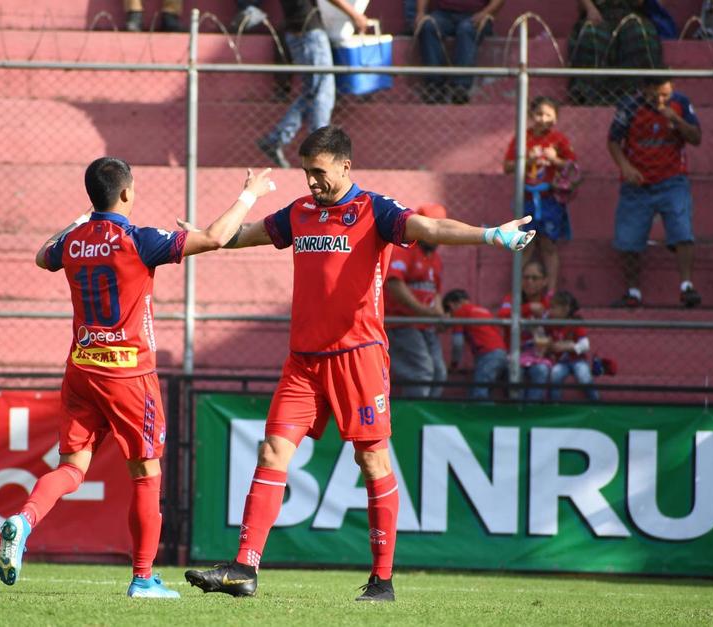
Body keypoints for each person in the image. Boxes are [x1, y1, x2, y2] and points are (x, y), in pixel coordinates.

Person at [182, 125, 535, 602]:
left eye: (319, 172)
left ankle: (382, 579)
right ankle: (245, 567)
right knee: (272, 452)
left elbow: (428, 229)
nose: (311, 183)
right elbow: (242, 237)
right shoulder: (299, 213)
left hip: (358, 357)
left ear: (346, 166)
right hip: (304, 361)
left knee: (372, 461)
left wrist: (490, 235)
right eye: (307, 173)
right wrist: (206, 234)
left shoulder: (375, 210)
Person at [0, 157, 276, 598]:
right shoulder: (138, 240)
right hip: (128, 374)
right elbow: (217, 238)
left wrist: (79, 220)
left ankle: (23, 519)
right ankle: (143, 578)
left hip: (81, 369)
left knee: (71, 468)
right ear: (126, 193)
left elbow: (39, 255)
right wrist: (250, 195)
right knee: (146, 474)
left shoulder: (73, 241)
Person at [607, 75, 702, 308]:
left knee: (682, 231)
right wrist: (625, 167)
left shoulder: (680, 103)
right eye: (655, 95)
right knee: (628, 239)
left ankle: (686, 287)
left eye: (665, 94)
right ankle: (633, 292)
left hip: (672, 180)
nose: (660, 99)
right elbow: (613, 141)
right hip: (637, 184)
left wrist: (677, 120)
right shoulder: (630, 106)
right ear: (644, 89)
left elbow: (696, 138)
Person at [254, 0, 368, 170]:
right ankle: (319, 150)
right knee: (323, 93)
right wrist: (355, 14)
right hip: (310, 31)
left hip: (296, 30)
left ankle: (277, 139)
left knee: (312, 93)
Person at [503, 96, 577, 294]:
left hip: (550, 199)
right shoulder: (522, 138)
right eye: (539, 114)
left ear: (555, 118)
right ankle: (517, 294)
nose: (543, 119)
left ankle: (550, 293)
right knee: (525, 245)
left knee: (549, 246)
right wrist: (526, 160)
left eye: (548, 115)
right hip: (526, 199)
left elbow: (572, 167)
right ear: (531, 115)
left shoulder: (559, 140)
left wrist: (555, 160)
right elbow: (507, 167)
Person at [384, 203, 448, 399]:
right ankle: (414, 420)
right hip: (403, 323)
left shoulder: (435, 257)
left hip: (425, 325)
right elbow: (394, 284)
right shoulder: (404, 249)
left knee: (439, 374)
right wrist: (423, 310)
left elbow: (434, 291)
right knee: (421, 373)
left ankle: (427, 419)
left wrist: (438, 314)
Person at [567, 0, 664, 105]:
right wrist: (591, 10)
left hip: (629, 13)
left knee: (638, 33)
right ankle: (587, 95)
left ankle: (639, 92)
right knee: (591, 35)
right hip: (600, 11)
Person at [414, 0, 506, 104]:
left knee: (466, 29)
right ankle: (435, 87)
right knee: (427, 26)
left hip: (475, 14)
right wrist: (420, 12)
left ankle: (461, 87)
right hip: (443, 13)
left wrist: (486, 12)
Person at [498, 260, 552, 401]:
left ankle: (530, 414)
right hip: (515, 354)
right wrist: (528, 308)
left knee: (541, 371)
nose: (529, 282)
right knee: (515, 372)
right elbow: (502, 315)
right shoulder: (512, 297)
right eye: (526, 277)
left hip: (539, 355)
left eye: (534, 278)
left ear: (544, 281)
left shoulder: (549, 302)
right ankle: (517, 413)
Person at [442, 288, 509, 400]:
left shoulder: (460, 312)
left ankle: (485, 417)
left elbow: (457, 343)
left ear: (452, 305)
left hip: (487, 355)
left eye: (449, 312)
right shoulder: (482, 310)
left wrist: (454, 364)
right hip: (501, 353)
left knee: (479, 394)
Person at [544, 290, 600, 402]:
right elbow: (546, 339)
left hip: (577, 360)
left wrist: (570, 347)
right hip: (561, 362)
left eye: (554, 308)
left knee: (584, 376)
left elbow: (585, 345)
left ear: (565, 309)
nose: (550, 311)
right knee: (555, 374)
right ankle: (556, 405)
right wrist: (550, 346)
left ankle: (596, 403)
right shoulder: (551, 323)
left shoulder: (575, 323)